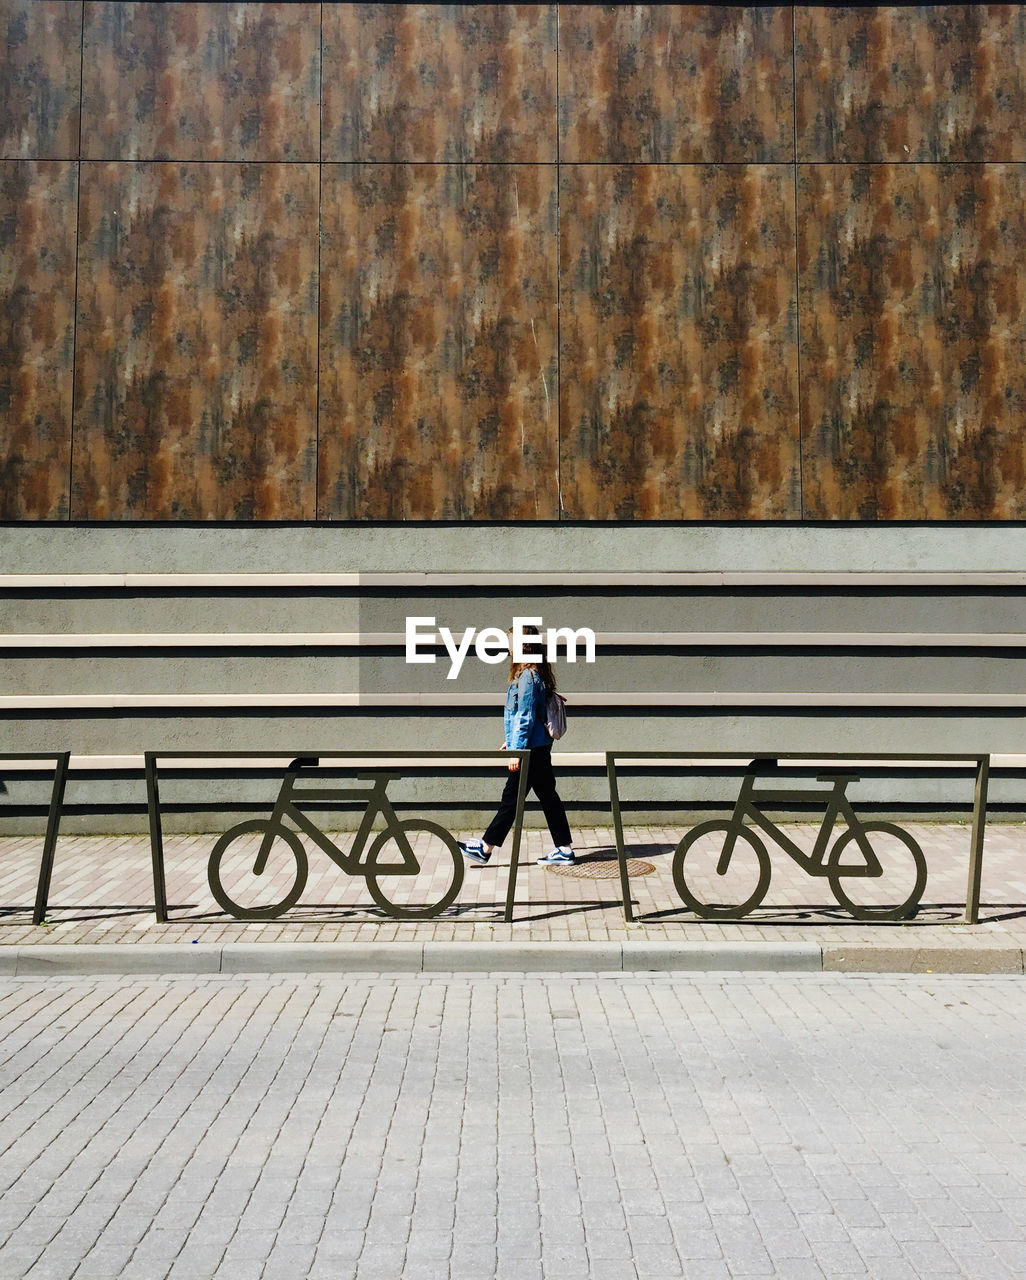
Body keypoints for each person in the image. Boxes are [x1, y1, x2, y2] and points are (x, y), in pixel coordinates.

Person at [458, 628, 575, 866]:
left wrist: (517, 750)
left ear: (523, 645)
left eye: (511, 640)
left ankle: (485, 848)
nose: (508, 645)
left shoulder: (528, 677)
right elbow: (526, 716)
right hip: (537, 747)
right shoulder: (534, 673)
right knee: (547, 797)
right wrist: (510, 740)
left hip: (529, 750)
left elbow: (525, 715)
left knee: (511, 799)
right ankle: (564, 848)